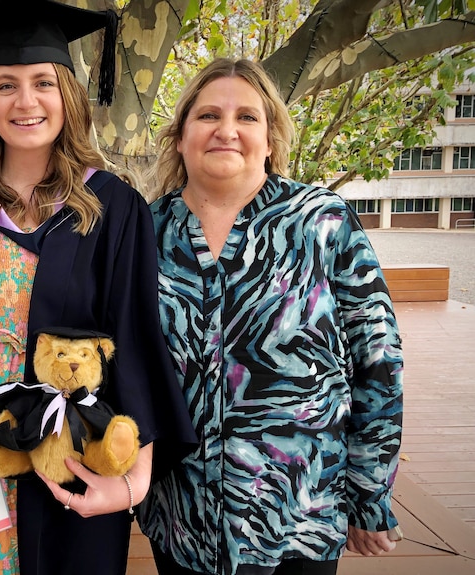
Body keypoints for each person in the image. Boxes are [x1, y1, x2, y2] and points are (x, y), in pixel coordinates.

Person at [0, 0, 197, 573]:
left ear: (69, 95)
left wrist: (132, 484)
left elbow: (134, 342)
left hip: (74, 453)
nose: (25, 101)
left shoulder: (112, 208)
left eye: (43, 83)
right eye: (6, 85)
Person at [137, 57, 405, 575]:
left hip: (298, 514)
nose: (227, 131)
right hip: (181, 516)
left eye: (247, 118)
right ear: (180, 135)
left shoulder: (320, 222)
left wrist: (370, 494)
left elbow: (379, 360)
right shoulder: (143, 232)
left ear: (271, 138)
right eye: (209, 115)